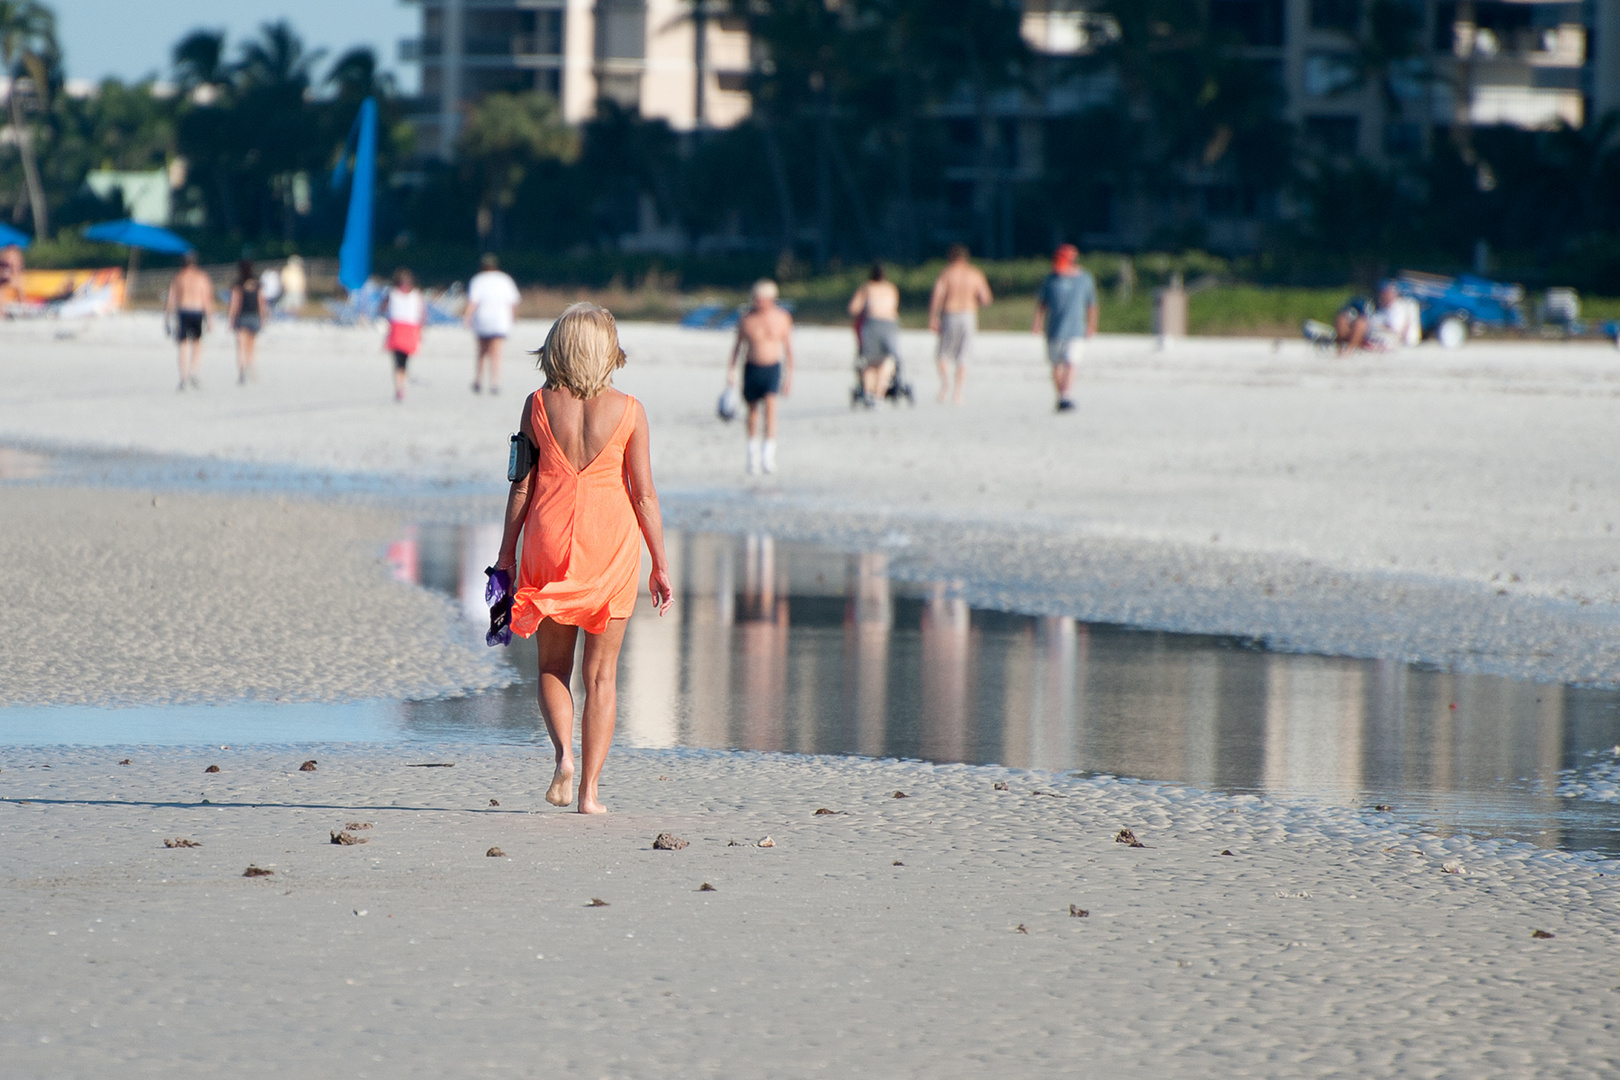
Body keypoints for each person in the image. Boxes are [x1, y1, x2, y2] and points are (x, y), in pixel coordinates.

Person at [493, 302, 673, 814]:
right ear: (606, 351)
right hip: (610, 545)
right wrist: (659, 563)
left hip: (550, 539)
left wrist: (506, 555)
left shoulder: (536, 405)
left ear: (559, 346)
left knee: (552, 665)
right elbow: (644, 496)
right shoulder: (631, 410)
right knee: (602, 674)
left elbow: (520, 485)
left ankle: (563, 759)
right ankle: (590, 794)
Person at [727, 279, 795, 475]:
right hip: (751, 367)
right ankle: (752, 456)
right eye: (754, 299)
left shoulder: (782, 318)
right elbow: (737, 348)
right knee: (753, 412)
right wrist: (731, 373)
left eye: (760, 299)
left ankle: (768, 457)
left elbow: (789, 350)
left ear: (770, 299)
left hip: (773, 367)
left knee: (771, 409)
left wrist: (788, 378)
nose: (756, 302)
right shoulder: (746, 319)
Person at [1033, 244, 1098, 413]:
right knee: (1056, 364)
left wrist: (1091, 325)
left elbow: (1092, 304)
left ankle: (1066, 396)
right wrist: (1037, 323)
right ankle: (1061, 396)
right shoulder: (1051, 279)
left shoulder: (1085, 279)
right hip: (1054, 329)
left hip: (1076, 329)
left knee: (1071, 363)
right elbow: (1042, 304)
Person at [928, 243, 993, 405]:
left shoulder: (947, 274)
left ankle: (946, 384)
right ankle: (958, 393)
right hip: (968, 315)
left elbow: (937, 296)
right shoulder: (975, 274)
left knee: (943, 353)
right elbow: (986, 299)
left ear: (951, 257)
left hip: (950, 313)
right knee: (964, 354)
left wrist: (933, 317)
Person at [465, 253, 521, 394]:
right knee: (496, 352)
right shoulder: (505, 279)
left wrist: (467, 317)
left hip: (483, 319)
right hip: (500, 320)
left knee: (482, 352)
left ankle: (478, 380)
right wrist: (514, 317)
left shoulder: (478, 280)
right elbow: (512, 302)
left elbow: (473, 302)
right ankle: (494, 383)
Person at [848, 263, 902, 407]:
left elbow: (854, 308)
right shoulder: (891, 288)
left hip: (872, 324)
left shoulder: (867, 288)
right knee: (888, 360)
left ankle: (868, 393)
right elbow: (895, 306)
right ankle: (879, 395)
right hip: (890, 325)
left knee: (870, 362)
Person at [165, 251, 214, 391]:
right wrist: (210, 319)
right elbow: (207, 299)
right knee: (197, 344)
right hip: (197, 311)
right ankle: (192, 372)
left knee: (182, 345)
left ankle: (183, 377)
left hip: (183, 311)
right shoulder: (202, 277)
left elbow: (171, 298)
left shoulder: (179, 277)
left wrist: (167, 318)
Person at [384, 267, 425, 402]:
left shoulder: (392, 293)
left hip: (398, 328)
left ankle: (399, 387)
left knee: (398, 361)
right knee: (404, 361)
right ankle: (401, 387)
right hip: (409, 328)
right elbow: (422, 314)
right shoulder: (416, 294)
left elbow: (382, 308)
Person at [228, 259, 268, 385]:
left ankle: (242, 372)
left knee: (241, 347)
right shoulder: (257, 284)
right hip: (254, 316)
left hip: (242, 316)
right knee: (251, 346)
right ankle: (250, 367)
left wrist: (231, 319)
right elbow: (261, 303)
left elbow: (235, 304)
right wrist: (263, 318)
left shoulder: (238, 285)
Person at [1367, 281, 1422, 350]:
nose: (1383, 296)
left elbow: (1396, 329)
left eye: (1387, 294)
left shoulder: (1400, 307)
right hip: (1394, 338)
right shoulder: (1385, 308)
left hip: (1404, 342)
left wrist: (1378, 325)